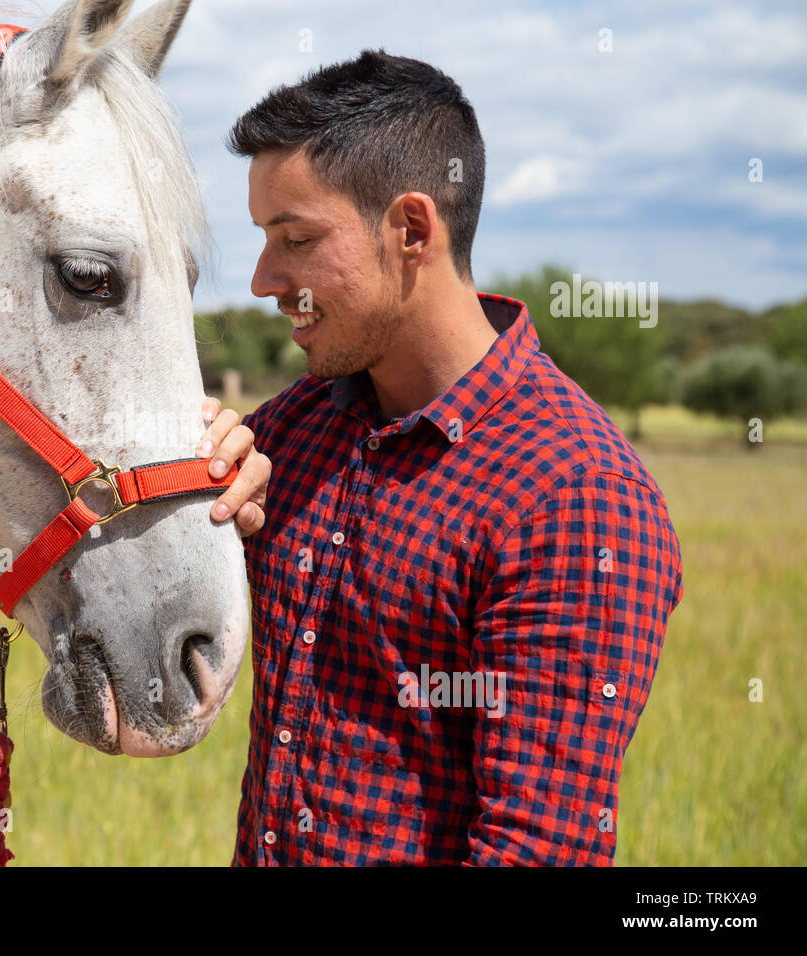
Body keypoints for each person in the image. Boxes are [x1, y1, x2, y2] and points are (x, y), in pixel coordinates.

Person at [197, 48, 683, 865]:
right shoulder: (298, 428)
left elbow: (537, 850)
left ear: (412, 229)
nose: (262, 279)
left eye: (297, 239)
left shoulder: (577, 496)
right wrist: (189, 476)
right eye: (262, 240)